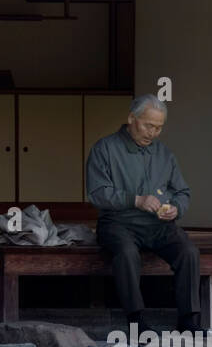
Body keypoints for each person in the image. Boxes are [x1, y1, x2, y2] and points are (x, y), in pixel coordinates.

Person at [85, 94, 202, 333]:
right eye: (148, 125)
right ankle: (136, 319)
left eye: (159, 128)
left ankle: (189, 320)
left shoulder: (164, 154)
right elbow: (97, 193)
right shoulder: (105, 148)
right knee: (127, 253)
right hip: (118, 223)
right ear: (131, 119)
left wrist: (176, 208)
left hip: (157, 225)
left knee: (188, 251)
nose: (153, 133)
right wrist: (136, 200)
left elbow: (182, 191)